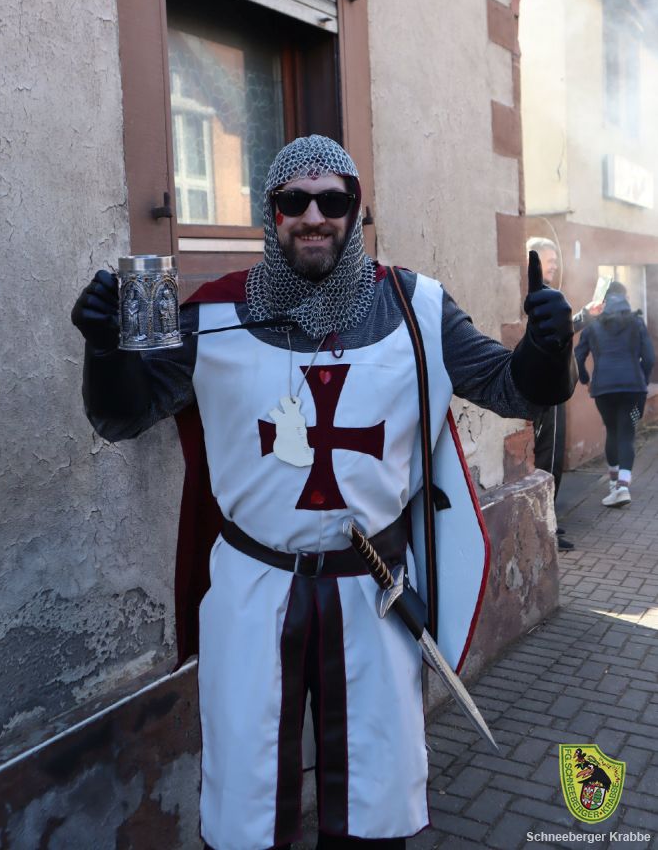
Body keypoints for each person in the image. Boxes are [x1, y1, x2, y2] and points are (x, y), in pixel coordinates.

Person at [72, 135, 575, 850]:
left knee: (375, 800)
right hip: (253, 586)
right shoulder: (212, 315)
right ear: (271, 214)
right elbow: (123, 415)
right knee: (245, 799)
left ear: (355, 212)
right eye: (295, 201)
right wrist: (103, 349)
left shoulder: (416, 307)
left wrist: (548, 350)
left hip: (372, 588)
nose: (314, 216)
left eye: (333, 200)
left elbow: (512, 387)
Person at [575, 281, 655, 507]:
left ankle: (614, 485)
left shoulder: (592, 324)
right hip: (633, 391)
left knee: (612, 430)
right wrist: (642, 380)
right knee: (627, 432)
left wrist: (585, 380)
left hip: (604, 390)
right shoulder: (636, 322)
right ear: (625, 297)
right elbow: (649, 358)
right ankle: (623, 486)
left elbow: (577, 356)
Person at [525, 237, 577, 550]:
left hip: (550, 386)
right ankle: (546, 529)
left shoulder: (546, 294)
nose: (555, 265)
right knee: (548, 457)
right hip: (544, 390)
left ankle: (549, 522)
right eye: (550, 260)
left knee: (552, 457)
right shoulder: (533, 294)